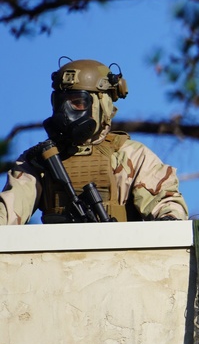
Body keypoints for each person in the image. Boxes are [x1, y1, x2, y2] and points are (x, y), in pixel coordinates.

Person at [0, 58, 189, 224]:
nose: (66, 113)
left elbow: (166, 205)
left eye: (77, 103)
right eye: (60, 102)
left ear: (101, 105)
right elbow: (8, 211)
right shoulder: (38, 161)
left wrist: (168, 219)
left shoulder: (130, 155)